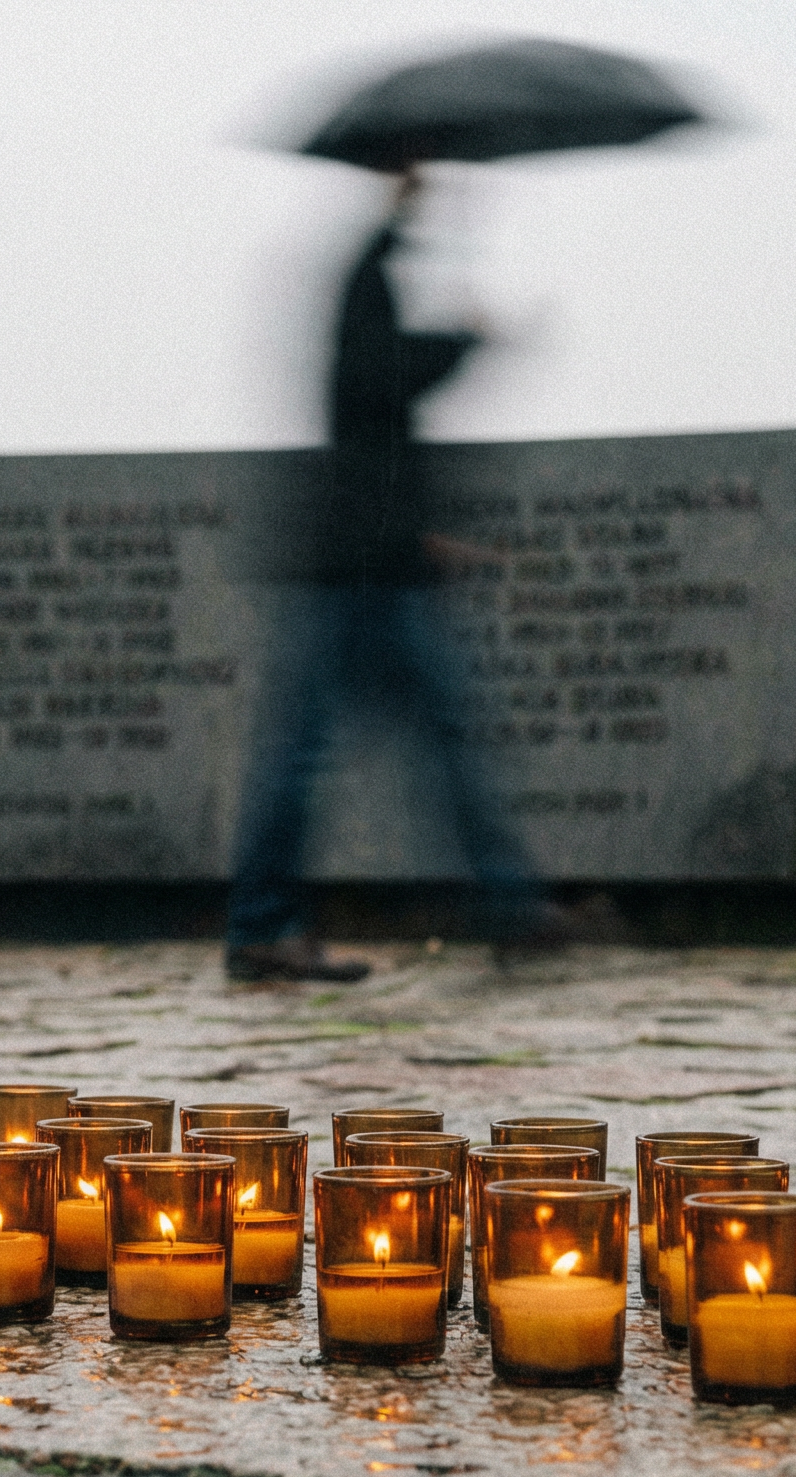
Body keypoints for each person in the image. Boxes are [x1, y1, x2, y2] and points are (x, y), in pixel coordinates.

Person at [224, 169, 575, 983]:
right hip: (356, 569)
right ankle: (265, 926)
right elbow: (380, 383)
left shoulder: (371, 295)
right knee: (323, 753)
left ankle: (507, 904)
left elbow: (385, 413)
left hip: (382, 559)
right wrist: (461, 334)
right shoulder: (364, 293)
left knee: (434, 740)